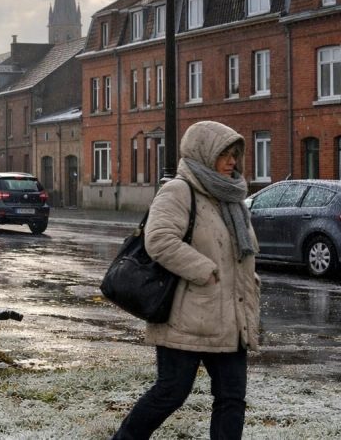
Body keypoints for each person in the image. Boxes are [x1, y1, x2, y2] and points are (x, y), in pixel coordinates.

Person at [111, 121, 260, 440]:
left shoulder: (232, 197)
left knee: (232, 398)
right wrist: (204, 270)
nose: (232, 161)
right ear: (203, 153)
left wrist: (250, 282)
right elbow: (159, 240)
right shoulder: (179, 191)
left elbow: (240, 253)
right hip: (187, 316)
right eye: (224, 154)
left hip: (230, 318)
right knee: (170, 393)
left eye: (234, 154)